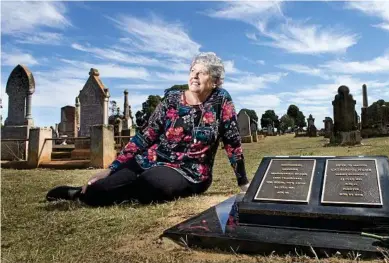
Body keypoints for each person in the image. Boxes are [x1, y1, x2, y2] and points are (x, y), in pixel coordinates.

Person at [46, 52, 250, 206]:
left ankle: (125, 193)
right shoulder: (172, 99)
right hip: (150, 160)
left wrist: (243, 183)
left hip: (190, 172)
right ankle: (80, 194)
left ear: (215, 81)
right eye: (192, 71)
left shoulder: (221, 100)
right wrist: (112, 168)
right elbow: (145, 136)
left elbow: (232, 141)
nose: (194, 76)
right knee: (99, 188)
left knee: (152, 183)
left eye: (202, 73)